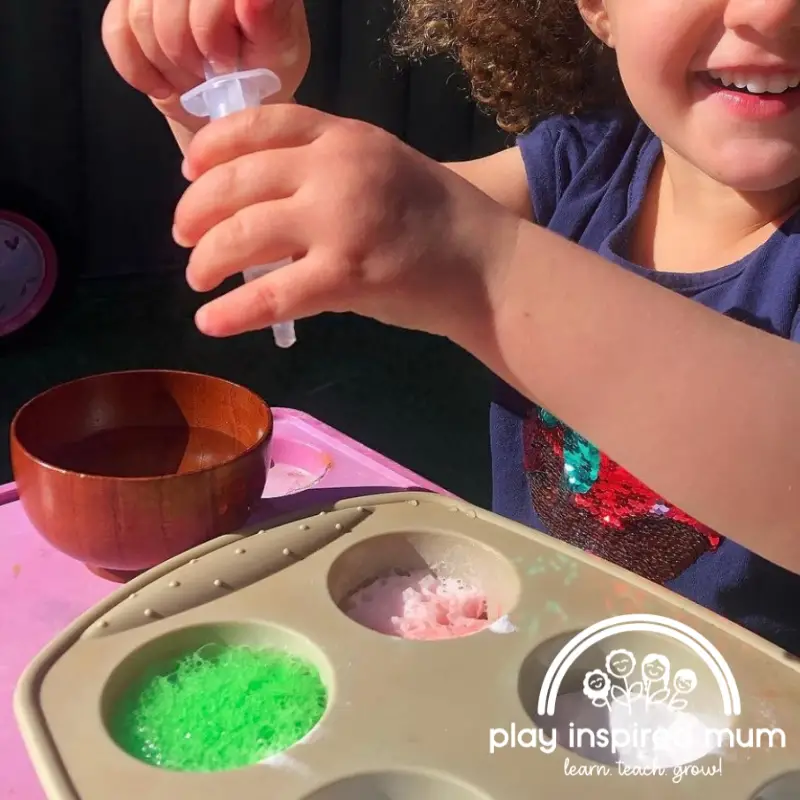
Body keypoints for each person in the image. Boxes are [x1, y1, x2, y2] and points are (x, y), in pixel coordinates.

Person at [102, 0, 800, 654]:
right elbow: (351, 241)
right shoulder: (578, 166)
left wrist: (489, 271)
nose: (772, 12)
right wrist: (237, 103)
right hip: (533, 678)